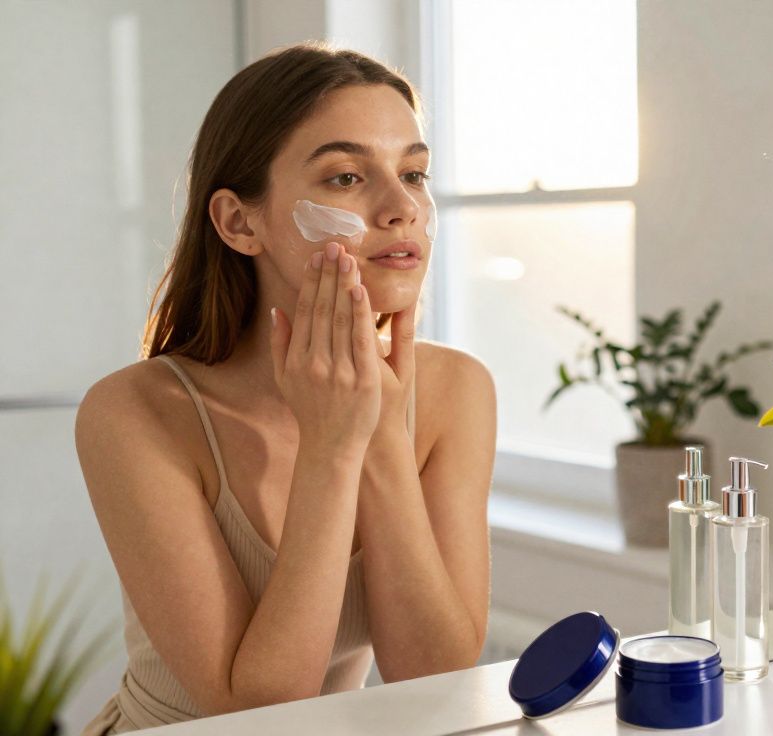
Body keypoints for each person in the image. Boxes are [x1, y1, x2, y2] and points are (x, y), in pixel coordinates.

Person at [74, 43, 496, 734]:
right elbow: (257, 711)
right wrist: (333, 447)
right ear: (240, 222)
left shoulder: (458, 392)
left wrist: (383, 436)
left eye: (414, 172)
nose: (402, 209)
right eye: (346, 178)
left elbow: (436, 678)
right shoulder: (136, 413)